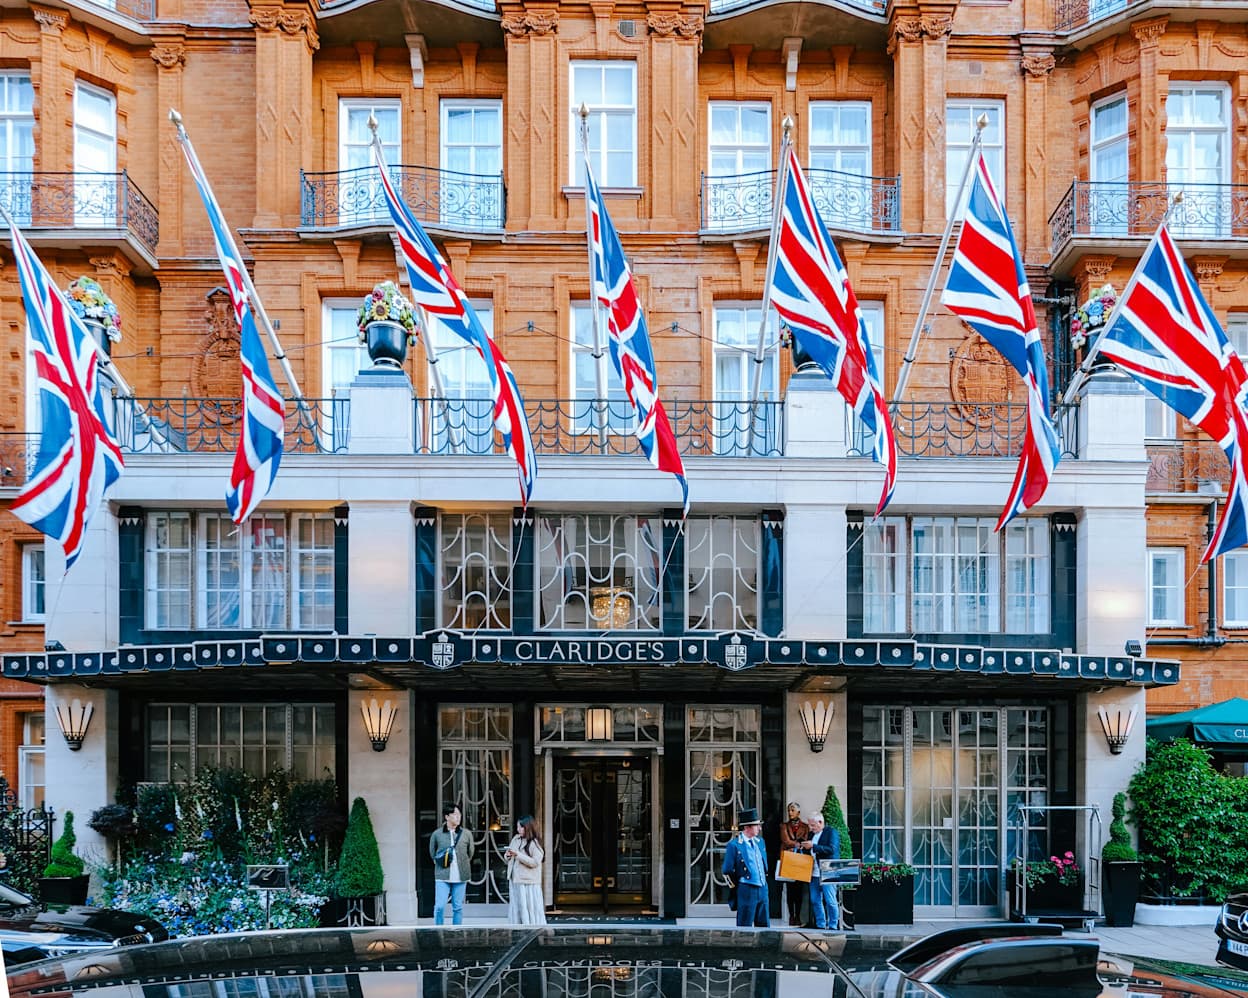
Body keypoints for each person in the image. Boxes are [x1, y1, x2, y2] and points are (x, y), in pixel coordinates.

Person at [721, 807, 769, 927]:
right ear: (747, 827)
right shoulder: (735, 845)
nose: (760, 828)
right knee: (745, 926)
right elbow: (727, 870)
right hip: (747, 889)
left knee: (764, 926)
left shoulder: (760, 841)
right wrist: (740, 885)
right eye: (756, 825)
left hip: (763, 888)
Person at [429, 803, 474, 925]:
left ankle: (456, 933)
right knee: (439, 906)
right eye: (455, 814)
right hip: (442, 876)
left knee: (458, 907)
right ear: (447, 817)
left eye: (459, 814)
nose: (458, 817)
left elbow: (470, 853)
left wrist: (462, 862)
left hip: (461, 876)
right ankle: (438, 931)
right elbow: (432, 853)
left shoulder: (466, 834)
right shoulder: (437, 834)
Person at [802, 812, 841, 931]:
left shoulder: (831, 832)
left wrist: (813, 846)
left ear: (820, 822)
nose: (811, 828)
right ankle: (820, 924)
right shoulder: (810, 834)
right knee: (815, 899)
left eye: (813, 825)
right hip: (813, 871)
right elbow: (810, 851)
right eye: (810, 825)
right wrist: (803, 848)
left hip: (828, 870)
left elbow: (832, 849)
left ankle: (833, 925)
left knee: (830, 900)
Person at [505, 815, 547, 925]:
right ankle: (517, 929)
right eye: (518, 827)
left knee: (528, 908)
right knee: (517, 907)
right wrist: (508, 855)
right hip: (515, 879)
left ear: (527, 827)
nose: (518, 829)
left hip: (528, 882)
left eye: (521, 827)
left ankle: (530, 931)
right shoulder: (516, 839)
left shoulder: (534, 843)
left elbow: (535, 862)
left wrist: (518, 855)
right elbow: (508, 855)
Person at [778, 801, 810, 926]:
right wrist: (798, 844)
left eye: (792, 810)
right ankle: (791, 915)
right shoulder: (784, 826)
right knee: (790, 889)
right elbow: (785, 840)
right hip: (789, 859)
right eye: (789, 810)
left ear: (798, 812)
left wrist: (800, 845)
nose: (790, 813)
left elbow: (807, 839)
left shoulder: (805, 826)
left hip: (801, 861)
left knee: (800, 889)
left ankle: (798, 915)